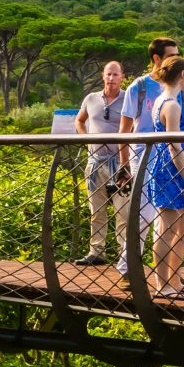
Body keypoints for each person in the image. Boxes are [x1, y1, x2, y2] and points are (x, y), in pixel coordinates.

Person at [142, 56, 184, 299]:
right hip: (173, 168)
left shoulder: (163, 100)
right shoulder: (171, 105)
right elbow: (173, 145)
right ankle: (162, 284)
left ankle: (174, 280)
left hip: (174, 164)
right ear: (183, 75)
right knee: (166, 228)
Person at [74, 60, 127, 264]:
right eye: (108, 74)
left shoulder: (127, 100)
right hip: (95, 162)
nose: (111, 78)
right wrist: (84, 138)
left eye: (115, 74)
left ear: (122, 77)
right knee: (96, 211)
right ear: (103, 76)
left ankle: (124, 254)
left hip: (120, 162)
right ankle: (96, 252)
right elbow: (80, 119)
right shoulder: (91, 98)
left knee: (123, 211)